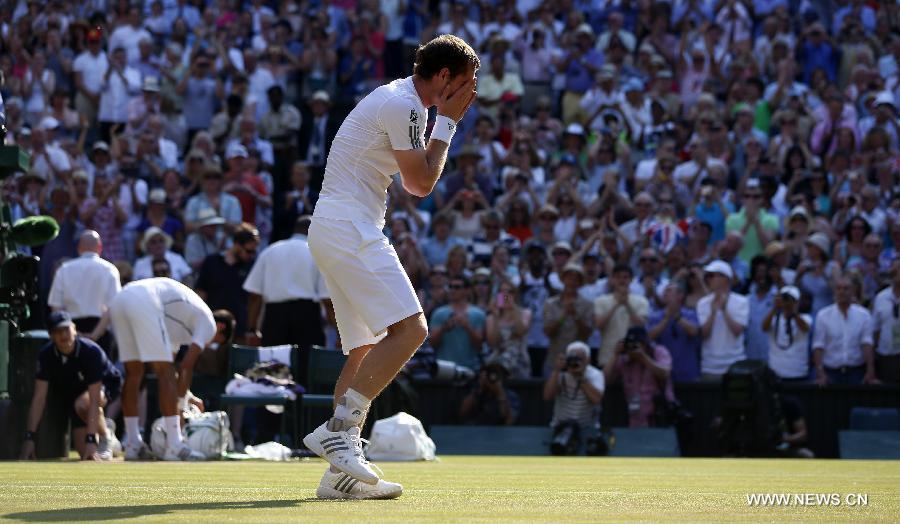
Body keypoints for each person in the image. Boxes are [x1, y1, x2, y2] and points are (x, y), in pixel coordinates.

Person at [302, 34, 479, 500]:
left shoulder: (399, 99)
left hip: (335, 225)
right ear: (443, 77)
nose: (467, 94)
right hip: (348, 226)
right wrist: (449, 125)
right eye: (464, 84)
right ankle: (338, 431)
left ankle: (340, 475)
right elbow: (420, 184)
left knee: (363, 348)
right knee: (412, 330)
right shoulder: (408, 106)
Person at [109, 277, 216, 461]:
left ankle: (133, 444)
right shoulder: (209, 326)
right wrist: (181, 408)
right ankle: (174, 445)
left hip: (121, 298)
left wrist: (186, 396)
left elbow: (174, 370)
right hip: (145, 299)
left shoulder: (177, 324)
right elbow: (185, 367)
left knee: (134, 373)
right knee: (162, 372)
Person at [20, 312, 122, 461]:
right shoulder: (46, 355)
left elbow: (93, 399)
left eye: (66, 329)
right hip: (75, 394)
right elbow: (39, 398)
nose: (63, 335)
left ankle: (106, 438)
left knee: (83, 404)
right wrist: (29, 437)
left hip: (105, 385)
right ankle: (106, 428)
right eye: (57, 331)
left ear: (74, 329)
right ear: (51, 335)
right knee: (84, 454)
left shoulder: (91, 352)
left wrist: (92, 440)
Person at [243, 216, 331, 383]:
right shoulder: (318, 253)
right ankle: (302, 407)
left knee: (272, 369)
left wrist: (252, 328)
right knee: (306, 372)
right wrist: (340, 332)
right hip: (307, 318)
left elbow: (255, 295)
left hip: (274, 318)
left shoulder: (270, 251)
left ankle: (271, 408)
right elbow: (327, 300)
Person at [47, 230, 121, 356]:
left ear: (79, 248)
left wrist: (73, 333)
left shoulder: (64, 269)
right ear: (100, 248)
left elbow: (56, 308)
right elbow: (113, 307)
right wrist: (95, 335)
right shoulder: (110, 270)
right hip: (99, 332)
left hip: (70, 331)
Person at [194, 224, 259, 336]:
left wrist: (252, 328)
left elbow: (254, 299)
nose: (251, 255)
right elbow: (200, 294)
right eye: (248, 251)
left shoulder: (252, 266)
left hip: (240, 330)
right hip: (213, 329)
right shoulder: (212, 262)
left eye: (253, 252)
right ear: (237, 245)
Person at [812, 276, 878, 386]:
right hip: (831, 372)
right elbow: (818, 346)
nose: (842, 292)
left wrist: (870, 370)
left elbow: (867, 343)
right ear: (834, 291)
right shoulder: (823, 315)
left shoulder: (864, 315)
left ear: (853, 291)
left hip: (856, 372)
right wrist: (820, 372)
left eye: (846, 288)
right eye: (838, 288)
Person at [604, 326, 674, 428]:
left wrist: (644, 358)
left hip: (659, 416)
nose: (633, 348)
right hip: (635, 418)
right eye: (630, 344)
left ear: (645, 343)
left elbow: (665, 373)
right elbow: (605, 380)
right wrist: (615, 355)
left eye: (636, 344)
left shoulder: (658, 352)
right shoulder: (624, 359)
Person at [543, 341, 605, 456]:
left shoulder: (595, 374)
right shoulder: (561, 373)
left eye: (580, 358)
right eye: (573, 358)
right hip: (560, 426)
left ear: (588, 360)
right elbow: (547, 396)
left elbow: (596, 400)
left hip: (587, 427)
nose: (576, 361)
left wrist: (581, 378)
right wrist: (556, 371)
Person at [697, 260, 749, 381]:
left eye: (712, 275)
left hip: (735, 365)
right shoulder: (702, 303)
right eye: (708, 276)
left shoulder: (742, 301)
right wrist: (713, 312)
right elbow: (703, 334)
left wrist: (724, 310)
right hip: (709, 366)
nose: (708, 279)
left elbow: (737, 331)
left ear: (725, 278)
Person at [594, 263, 649, 368]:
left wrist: (627, 304)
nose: (621, 280)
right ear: (612, 279)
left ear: (631, 279)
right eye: (618, 277)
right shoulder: (600, 301)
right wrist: (617, 304)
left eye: (625, 277)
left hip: (634, 358)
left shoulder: (642, 301)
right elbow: (599, 325)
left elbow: (641, 325)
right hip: (608, 356)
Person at [647, 282, 702, 383]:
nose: (664, 293)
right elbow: (649, 337)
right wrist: (666, 319)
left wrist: (677, 317)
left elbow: (694, 332)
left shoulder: (690, 314)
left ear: (680, 295)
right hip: (664, 373)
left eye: (668, 291)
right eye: (664, 291)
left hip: (688, 372)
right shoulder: (655, 316)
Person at [762, 286, 812, 381]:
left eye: (790, 300)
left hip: (798, 373)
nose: (786, 303)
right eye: (784, 299)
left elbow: (805, 328)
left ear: (797, 302)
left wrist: (793, 312)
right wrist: (774, 309)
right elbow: (764, 328)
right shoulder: (774, 318)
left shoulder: (806, 318)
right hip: (775, 373)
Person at [457, 359, 520, 425]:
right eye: (490, 372)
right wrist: (479, 389)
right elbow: (462, 413)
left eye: (497, 373)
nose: (493, 376)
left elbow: (509, 422)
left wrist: (500, 394)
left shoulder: (511, 396)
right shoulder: (477, 391)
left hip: (498, 433)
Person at [871, 258, 900, 383]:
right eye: (893, 269)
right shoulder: (881, 297)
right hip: (886, 357)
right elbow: (875, 329)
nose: (894, 272)